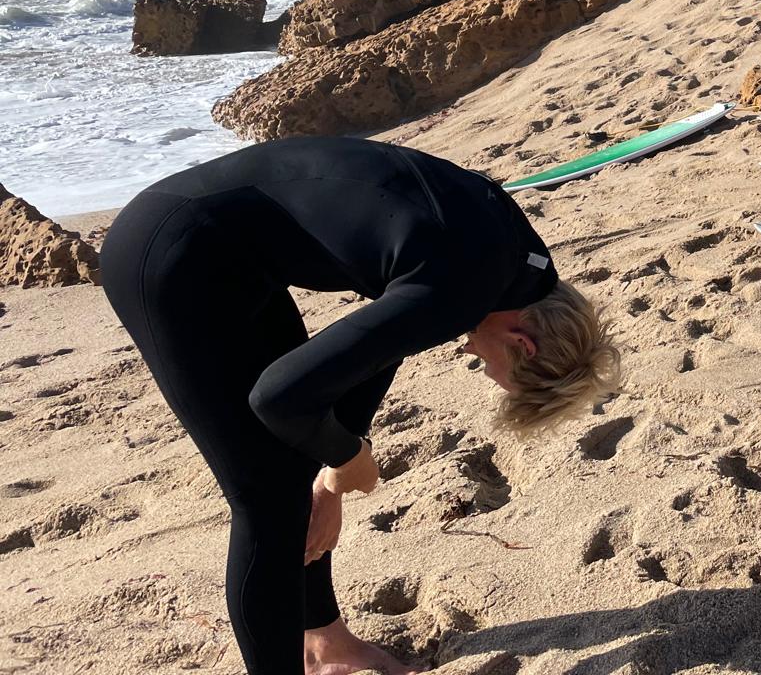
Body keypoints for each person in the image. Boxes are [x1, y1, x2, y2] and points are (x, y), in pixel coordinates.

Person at [98, 138, 622, 675]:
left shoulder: (519, 262)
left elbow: (385, 343)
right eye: (500, 376)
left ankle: (324, 643)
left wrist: (331, 472)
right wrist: (349, 457)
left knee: (299, 460)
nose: (477, 363)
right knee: (267, 499)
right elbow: (278, 397)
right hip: (170, 257)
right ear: (522, 344)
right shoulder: (461, 291)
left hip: (227, 249)